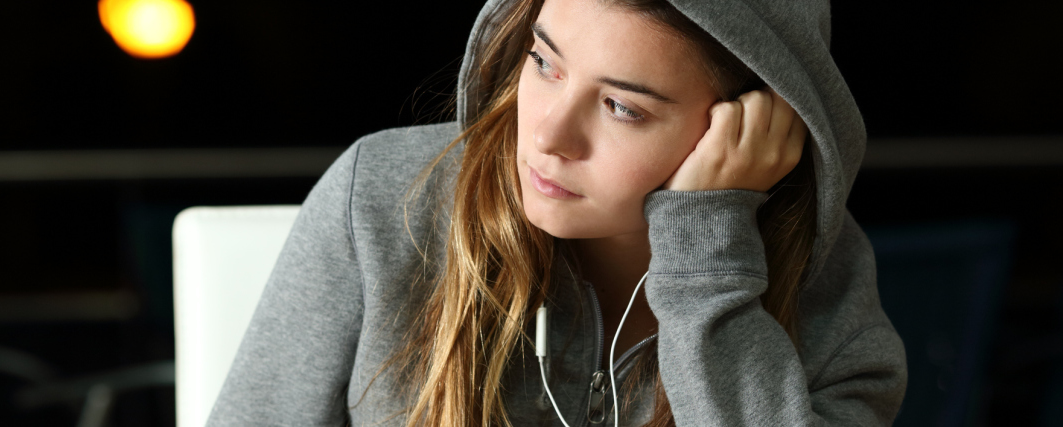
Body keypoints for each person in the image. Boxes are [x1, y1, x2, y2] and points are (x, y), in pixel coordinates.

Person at [207, 0, 907, 425]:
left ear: (750, 126)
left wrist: (710, 263)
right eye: (545, 62)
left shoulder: (828, 290)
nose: (546, 135)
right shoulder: (385, 198)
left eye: (621, 107)